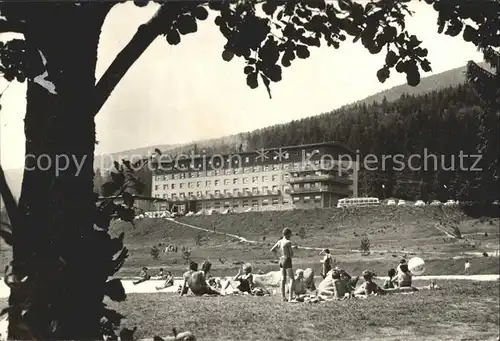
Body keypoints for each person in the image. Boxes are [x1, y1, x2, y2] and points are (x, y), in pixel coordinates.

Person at [270, 227, 295, 302]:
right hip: (287, 259)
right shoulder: (288, 242)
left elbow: (272, 250)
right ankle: (290, 298)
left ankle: (283, 297)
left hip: (281, 259)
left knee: (283, 278)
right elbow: (291, 254)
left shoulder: (279, 241)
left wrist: (277, 257)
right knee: (291, 279)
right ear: (288, 234)